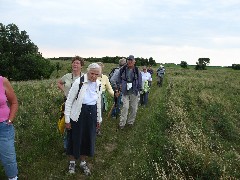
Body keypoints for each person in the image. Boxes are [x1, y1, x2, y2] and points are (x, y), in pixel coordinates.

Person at [64, 63, 102, 175]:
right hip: (78, 115)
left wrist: (99, 119)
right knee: (75, 138)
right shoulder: (79, 82)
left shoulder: (98, 84)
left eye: (96, 74)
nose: (94, 76)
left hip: (92, 114)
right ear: (87, 71)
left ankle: (83, 162)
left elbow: (98, 102)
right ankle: (72, 162)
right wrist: (67, 119)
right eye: (92, 73)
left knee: (87, 138)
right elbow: (69, 101)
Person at [57, 56, 84, 153]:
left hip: (79, 104)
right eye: (74, 62)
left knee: (79, 125)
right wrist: (64, 90)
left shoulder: (84, 77)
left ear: (81, 66)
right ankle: (67, 147)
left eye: (77, 63)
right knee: (67, 124)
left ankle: (79, 146)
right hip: (67, 103)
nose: (75, 64)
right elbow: (59, 83)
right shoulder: (67, 76)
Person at [0, 76, 18, 180]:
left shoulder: (3, 81)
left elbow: (14, 102)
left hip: (3, 127)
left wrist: (10, 120)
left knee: (8, 158)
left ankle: (12, 178)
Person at [118, 55, 142, 129]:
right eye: (128, 60)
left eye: (131, 60)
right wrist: (119, 86)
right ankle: (122, 124)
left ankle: (130, 122)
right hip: (125, 91)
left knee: (134, 108)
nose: (130, 61)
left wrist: (139, 89)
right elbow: (118, 79)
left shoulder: (137, 70)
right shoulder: (122, 69)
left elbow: (140, 81)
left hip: (134, 91)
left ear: (134, 61)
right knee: (125, 107)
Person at [96, 62, 114, 135]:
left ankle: (97, 129)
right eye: (97, 69)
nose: (98, 71)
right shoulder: (91, 76)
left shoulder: (105, 78)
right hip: (92, 97)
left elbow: (109, 89)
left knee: (99, 114)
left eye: (100, 69)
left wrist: (115, 95)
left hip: (101, 97)